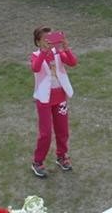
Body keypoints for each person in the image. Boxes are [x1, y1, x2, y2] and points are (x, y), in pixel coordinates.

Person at [29, 26, 78, 178]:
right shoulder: (36, 55)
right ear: (38, 42)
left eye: (50, 39)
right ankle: (37, 161)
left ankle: (62, 156)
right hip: (44, 99)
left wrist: (66, 47)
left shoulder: (58, 53)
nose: (49, 42)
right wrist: (44, 52)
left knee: (63, 129)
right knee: (46, 133)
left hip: (60, 97)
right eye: (45, 40)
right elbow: (35, 68)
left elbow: (72, 62)